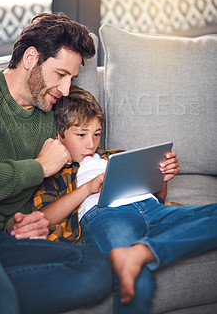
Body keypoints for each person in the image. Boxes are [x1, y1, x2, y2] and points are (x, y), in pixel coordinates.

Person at [0, 13, 113, 314]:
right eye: (60, 74)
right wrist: (40, 167)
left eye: (72, 79)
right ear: (30, 58)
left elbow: (21, 201)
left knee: (95, 269)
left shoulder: (44, 120)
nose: (65, 90)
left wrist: (23, 221)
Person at [34, 85, 217, 314]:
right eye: (81, 134)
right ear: (59, 135)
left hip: (152, 209)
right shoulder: (58, 170)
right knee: (132, 275)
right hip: (108, 215)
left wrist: (163, 176)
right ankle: (140, 254)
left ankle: (144, 251)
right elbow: (44, 217)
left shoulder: (116, 156)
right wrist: (88, 189)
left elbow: (158, 198)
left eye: (97, 134)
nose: (91, 144)